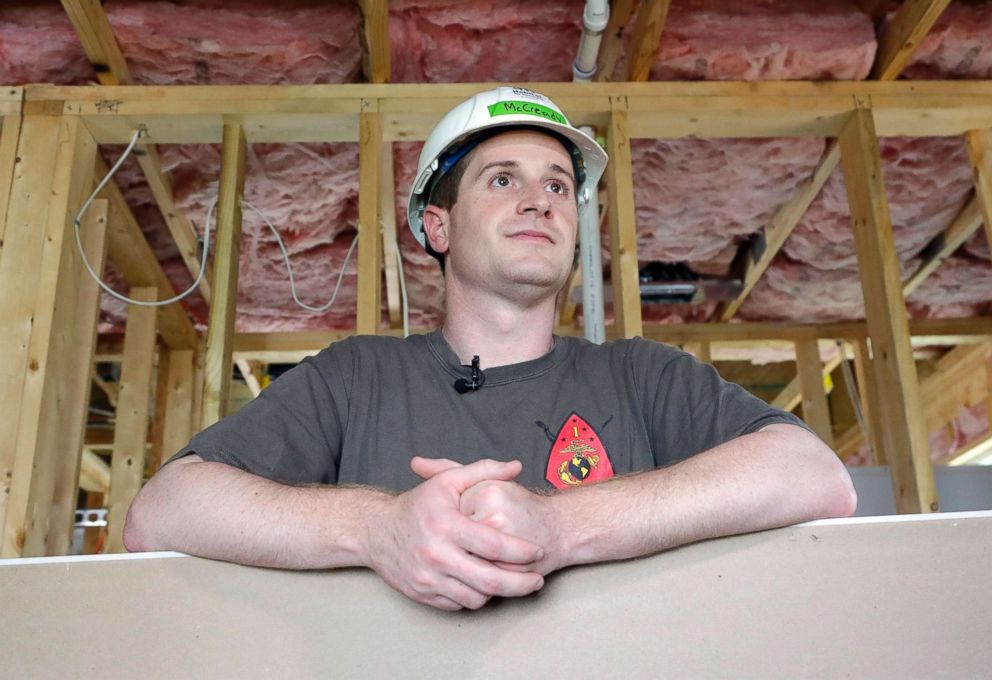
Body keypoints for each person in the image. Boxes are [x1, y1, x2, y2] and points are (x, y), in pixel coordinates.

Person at [124, 87, 856, 611]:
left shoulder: (642, 375)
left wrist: (561, 527)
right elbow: (162, 512)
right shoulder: (355, 378)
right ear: (437, 229)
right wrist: (377, 529)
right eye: (503, 180)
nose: (541, 200)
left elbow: (813, 476)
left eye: (560, 186)